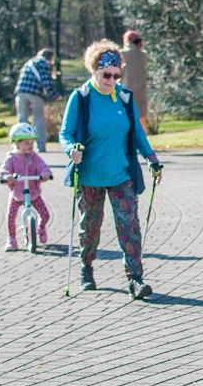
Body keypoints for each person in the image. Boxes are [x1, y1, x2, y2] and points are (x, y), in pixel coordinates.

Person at [60, 40, 163, 300]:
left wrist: (151, 158)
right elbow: (65, 132)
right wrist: (71, 148)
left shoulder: (125, 98)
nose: (112, 79)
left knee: (129, 227)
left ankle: (135, 279)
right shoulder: (81, 97)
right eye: (107, 74)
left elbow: (137, 133)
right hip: (90, 176)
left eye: (117, 75)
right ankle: (86, 267)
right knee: (90, 227)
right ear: (94, 70)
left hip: (121, 174)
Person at [0, 122, 54, 252]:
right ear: (17, 143)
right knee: (10, 217)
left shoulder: (34, 157)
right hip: (17, 194)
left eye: (31, 143)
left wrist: (45, 173)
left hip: (33, 193)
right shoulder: (12, 158)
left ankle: (40, 228)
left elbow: (42, 166)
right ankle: (12, 240)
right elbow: (4, 170)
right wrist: (6, 177)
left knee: (45, 214)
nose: (30, 146)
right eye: (26, 143)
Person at [15, 48, 60, 153]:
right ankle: (41, 146)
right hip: (34, 93)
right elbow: (46, 82)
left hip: (20, 92)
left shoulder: (30, 62)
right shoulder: (43, 63)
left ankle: (21, 146)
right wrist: (55, 95)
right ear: (50, 57)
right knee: (38, 119)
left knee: (22, 120)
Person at [120, 31, 150, 134]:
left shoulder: (122, 55)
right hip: (141, 90)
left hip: (125, 90)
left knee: (125, 116)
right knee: (141, 116)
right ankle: (145, 141)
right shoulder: (143, 55)